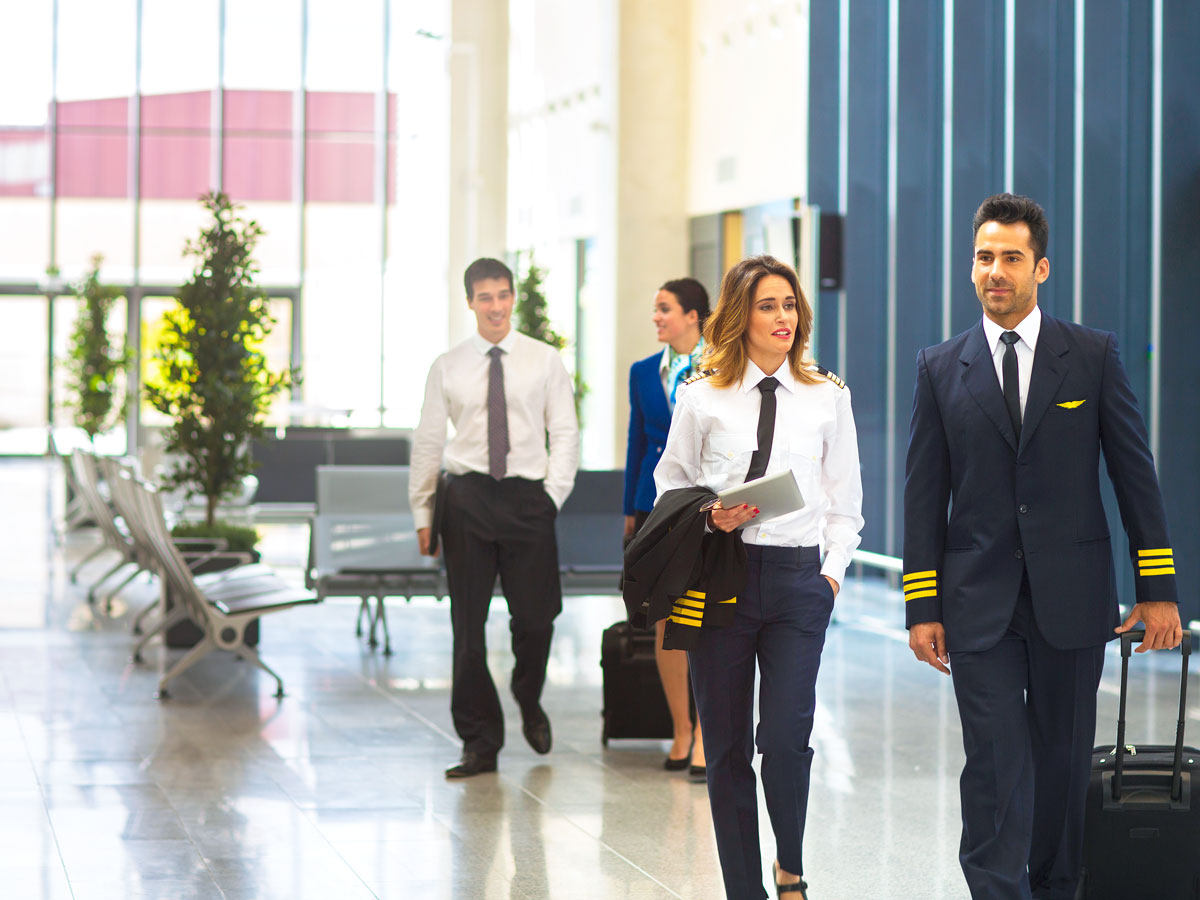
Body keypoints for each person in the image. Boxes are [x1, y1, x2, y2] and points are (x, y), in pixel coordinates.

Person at [903, 193, 1182, 899]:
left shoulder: (1090, 356)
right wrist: (921, 604)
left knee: (1060, 762)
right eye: (984, 257)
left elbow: (1133, 474)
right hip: (978, 605)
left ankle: (1057, 888)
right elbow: (922, 494)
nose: (995, 271)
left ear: (1042, 268)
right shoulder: (940, 368)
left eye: (1011, 258)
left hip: (1073, 598)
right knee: (995, 762)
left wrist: (1157, 589)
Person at [655, 254, 864, 900]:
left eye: (790, 304)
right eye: (768, 305)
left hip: (800, 584)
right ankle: (743, 887)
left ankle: (791, 867)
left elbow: (846, 503)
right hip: (722, 580)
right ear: (740, 315)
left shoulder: (828, 396)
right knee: (724, 748)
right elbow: (672, 487)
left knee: (786, 737)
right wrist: (711, 518)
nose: (783, 317)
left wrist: (828, 580)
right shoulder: (702, 395)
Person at [410, 257, 579, 779]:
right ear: (470, 303)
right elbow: (429, 440)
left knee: (536, 617)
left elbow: (566, 433)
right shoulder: (449, 364)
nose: (496, 306)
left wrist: (551, 495)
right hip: (467, 500)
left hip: (529, 498)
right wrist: (423, 509)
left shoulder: (544, 360)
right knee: (468, 627)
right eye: (485, 297)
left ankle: (527, 695)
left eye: (503, 295)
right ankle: (479, 742)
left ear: (512, 298)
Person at [623, 277, 711, 778]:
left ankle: (705, 731)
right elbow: (637, 443)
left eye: (665, 309)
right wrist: (630, 513)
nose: (656, 317)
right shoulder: (642, 373)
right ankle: (680, 728)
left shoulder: (720, 365)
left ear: (692, 315)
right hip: (654, 511)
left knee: (703, 621)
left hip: (704, 510)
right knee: (664, 621)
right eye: (655, 309)